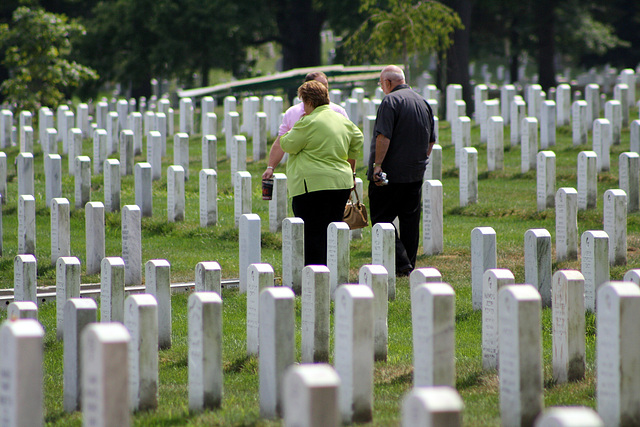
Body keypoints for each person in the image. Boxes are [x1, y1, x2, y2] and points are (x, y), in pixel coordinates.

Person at [280, 80, 363, 265]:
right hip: (341, 183)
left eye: (303, 102)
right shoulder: (342, 120)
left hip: (311, 185)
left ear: (309, 101)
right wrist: (349, 157)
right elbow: (358, 138)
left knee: (311, 232)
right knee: (332, 229)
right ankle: (332, 270)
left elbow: (287, 144)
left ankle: (314, 273)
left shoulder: (307, 122)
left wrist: (290, 132)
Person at [367, 65, 436, 276]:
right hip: (415, 172)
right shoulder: (422, 101)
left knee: (380, 219)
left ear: (387, 83)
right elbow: (431, 141)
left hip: (390, 174)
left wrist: (378, 165)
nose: (382, 88)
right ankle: (408, 265)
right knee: (410, 220)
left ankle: (402, 262)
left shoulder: (390, 101)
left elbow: (383, 136)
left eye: (381, 84)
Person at [262, 71, 349, 181]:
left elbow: (349, 143)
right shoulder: (293, 113)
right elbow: (280, 143)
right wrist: (270, 167)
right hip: (302, 177)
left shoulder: (338, 112)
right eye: (319, 86)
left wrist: (352, 173)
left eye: (326, 87)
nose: (324, 91)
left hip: (333, 174)